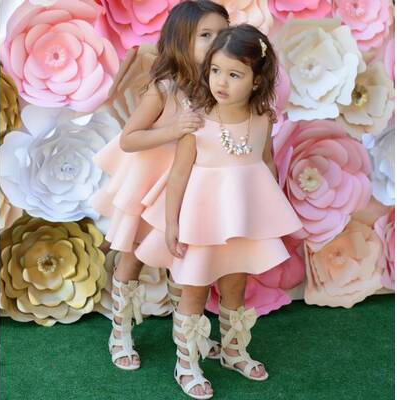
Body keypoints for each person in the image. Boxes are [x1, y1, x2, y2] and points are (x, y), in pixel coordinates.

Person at [134, 24, 303, 398]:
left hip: (241, 219)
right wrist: (172, 224)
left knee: (235, 286)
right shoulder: (197, 121)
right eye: (215, 70)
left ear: (257, 80)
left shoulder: (262, 119)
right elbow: (179, 175)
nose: (221, 82)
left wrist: (269, 212)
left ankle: (233, 351)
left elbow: (266, 163)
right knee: (193, 291)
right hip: (202, 221)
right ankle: (186, 364)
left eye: (234, 74)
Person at [92, 1, 229, 371]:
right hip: (150, 182)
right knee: (135, 255)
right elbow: (129, 138)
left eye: (222, 33)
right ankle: (120, 331)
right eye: (205, 35)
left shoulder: (219, 85)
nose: (216, 41)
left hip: (188, 185)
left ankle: (187, 333)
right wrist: (173, 128)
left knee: (182, 253)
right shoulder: (164, 88)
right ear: (181, 40)